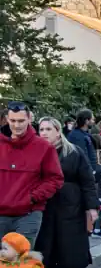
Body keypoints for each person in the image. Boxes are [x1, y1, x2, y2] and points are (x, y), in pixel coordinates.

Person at [34, 118, 98, 268]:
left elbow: (87, 180)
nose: (44, 133)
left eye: (48, 129)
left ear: (57, 131)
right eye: (41, 129)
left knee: (70, 246)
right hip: (44, 205)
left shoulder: (74, 152)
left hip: (70, 205)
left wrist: (91, 207)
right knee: (46, 248)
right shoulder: (36, 153)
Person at [0, 102, 64, 244]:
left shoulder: (44, 147)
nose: (17, 125)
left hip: (28, 214)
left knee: (20, 262)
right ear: (7, 119)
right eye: (13, 121)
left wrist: (33, 198)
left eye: (21, 121)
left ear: (29, 119)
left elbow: (55, 179)